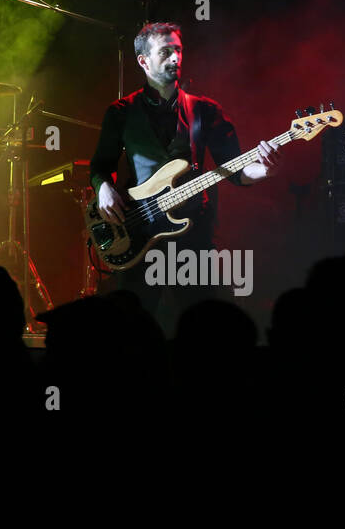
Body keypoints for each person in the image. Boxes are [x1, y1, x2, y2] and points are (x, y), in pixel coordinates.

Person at [88, 21, 278, 329]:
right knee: (131, 327)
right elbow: (100, 166)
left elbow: (236, 170)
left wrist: (265, 168)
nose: (175, 58)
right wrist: (103, 188)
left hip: (193, 236)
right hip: (139, 232)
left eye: (178, 50)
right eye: (165, 52)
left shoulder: (205, 110)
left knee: (206, 328)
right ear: (143, 61)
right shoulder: (120, 111)